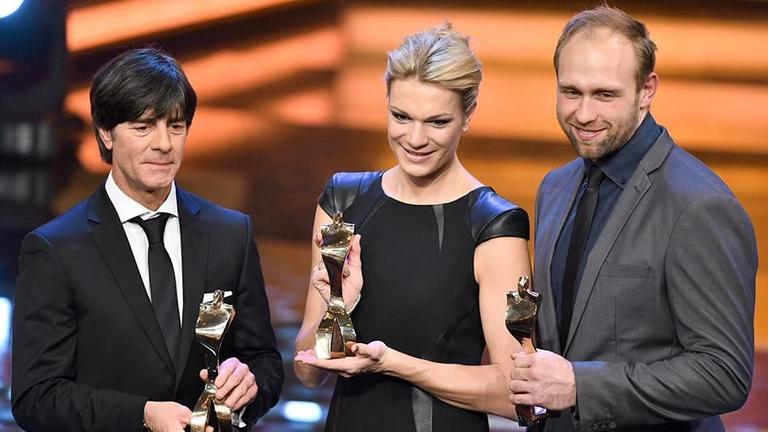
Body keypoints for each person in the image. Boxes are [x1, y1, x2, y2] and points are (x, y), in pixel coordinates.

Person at [509, 6, 757, 431]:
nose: (584, 114)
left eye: (605, 95)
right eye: (571, 92)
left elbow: (724, 374)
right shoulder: (555, 187)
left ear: (646, 90)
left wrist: (581, 386)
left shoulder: (700, 205)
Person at [12, 48, 284, 432]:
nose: (164, 144)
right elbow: (35, 397)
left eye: (176, 126)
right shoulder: (56, 249)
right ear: (105, 133)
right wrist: (142, 414)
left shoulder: (230, 234)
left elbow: (265, 361)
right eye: (143, 127)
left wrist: (249, 387)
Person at [293, 23, 531, 431]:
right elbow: (307, 372)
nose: (415, 138)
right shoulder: (342, 201)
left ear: (468, 115)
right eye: (401, 116)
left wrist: (393, 363)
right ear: (386, 102)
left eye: (437, 122)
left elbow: (515, 394)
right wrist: (338, 308)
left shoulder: (493, 224)